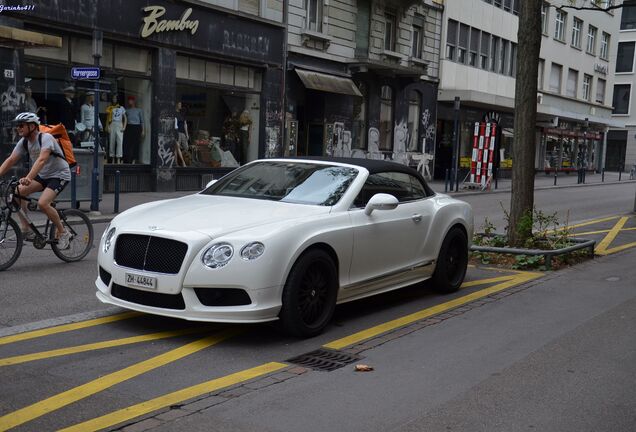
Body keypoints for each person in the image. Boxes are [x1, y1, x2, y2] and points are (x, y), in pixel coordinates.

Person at [0, 112, 72, 249]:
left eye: (21, 125)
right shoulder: (24, 142)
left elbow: (42, 160)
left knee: (43, 204)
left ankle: (63, 232)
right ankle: (26, 229)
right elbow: (10, 160)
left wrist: (28, 178)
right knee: (16, 193)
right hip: (43, 176)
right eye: (17, 126)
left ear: (32, 126)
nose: (18, 128)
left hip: (59, 175)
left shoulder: (46, 138)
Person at [106, 95, 127, 164]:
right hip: (112, 124)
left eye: (115, 98)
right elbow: (108, 118)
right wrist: (108, 126)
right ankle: (112, 158)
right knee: (112, 142)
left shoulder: (122, 108)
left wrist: (124, 127)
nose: (114, 99)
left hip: (119, 124)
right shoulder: (110, 108)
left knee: (120, 142)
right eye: (113, 98)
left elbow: (125, 118)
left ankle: (118, 158)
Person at [124, 96, 144, 164]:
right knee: (128, 144)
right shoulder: (126, 110)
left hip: (137, 127)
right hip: (129, 127)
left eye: (131, 100)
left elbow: (142, 121)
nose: (130, 102)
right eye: (129, 100)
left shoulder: (139, 110)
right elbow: (124, 119)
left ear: (134, 101)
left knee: (136, 144)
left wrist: (143, 130)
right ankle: (128, 159)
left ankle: (135, 159)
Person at [174, 102, 188, 167]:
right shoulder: (174, 114)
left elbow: (185, 124)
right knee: (177, 148)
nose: (180, 106)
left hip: (182, 133)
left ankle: (184, 162)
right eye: (179, 104)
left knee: (186, 147)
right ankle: (178, 163)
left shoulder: (182, 113)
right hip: (177, 132)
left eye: (181, 105)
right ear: (176, 105)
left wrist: (187, 134)